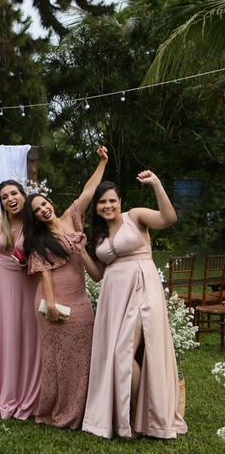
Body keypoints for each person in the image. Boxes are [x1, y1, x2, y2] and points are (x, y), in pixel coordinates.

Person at [81, 174, 188, 439]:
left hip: (142, 288)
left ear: (120, 201)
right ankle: (135, 415)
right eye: (102, 202)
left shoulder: (136, 216)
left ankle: (145, 416)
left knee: (125, 353)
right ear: (96, 207)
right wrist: (82, 251)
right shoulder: (99, 234)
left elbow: (169, 219)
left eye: (112, 201)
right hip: (114, 296)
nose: (108, 206)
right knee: (119, 354)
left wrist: (156, 185)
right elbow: (98, 274)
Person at [22, 146, 108, 430]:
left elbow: (89, 190)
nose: (44, 210)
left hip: (81, 300)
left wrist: (102, 161)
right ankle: (56, 410)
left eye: (44, 204)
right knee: (58, 359)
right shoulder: (39, 239)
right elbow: (44, 275)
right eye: (37, 211)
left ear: (50, 201)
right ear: (34, 218)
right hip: (53, 303)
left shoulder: (72, 216)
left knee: (82, 355)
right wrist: (52, 308)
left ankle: (82, 411)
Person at [0, 180, 41, 420]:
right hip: (0, 282)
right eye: (4, 196)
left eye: (14, 193)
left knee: (27, 337)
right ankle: (0, 391)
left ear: (23, 195)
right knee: (2, 336)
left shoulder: (36, 221)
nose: (10, 199)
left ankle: (28, 392)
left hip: (29, 284)